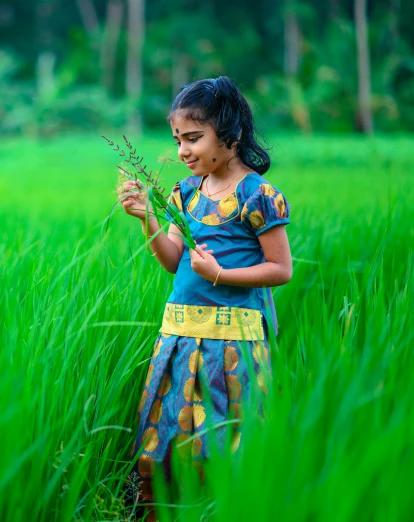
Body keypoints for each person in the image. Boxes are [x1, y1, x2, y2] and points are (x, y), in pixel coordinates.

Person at [119, 76, 293, 520]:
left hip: (232, 342)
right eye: (178, 139)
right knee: (165, 431)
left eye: (194, 138)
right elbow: (172, 258)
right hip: (178, 335)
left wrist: (221, 273)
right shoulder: (186, 192)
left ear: (231, 135)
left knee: (226, 435)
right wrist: (147, 219)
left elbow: (280, 269)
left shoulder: (258, 195)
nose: (183, 150)